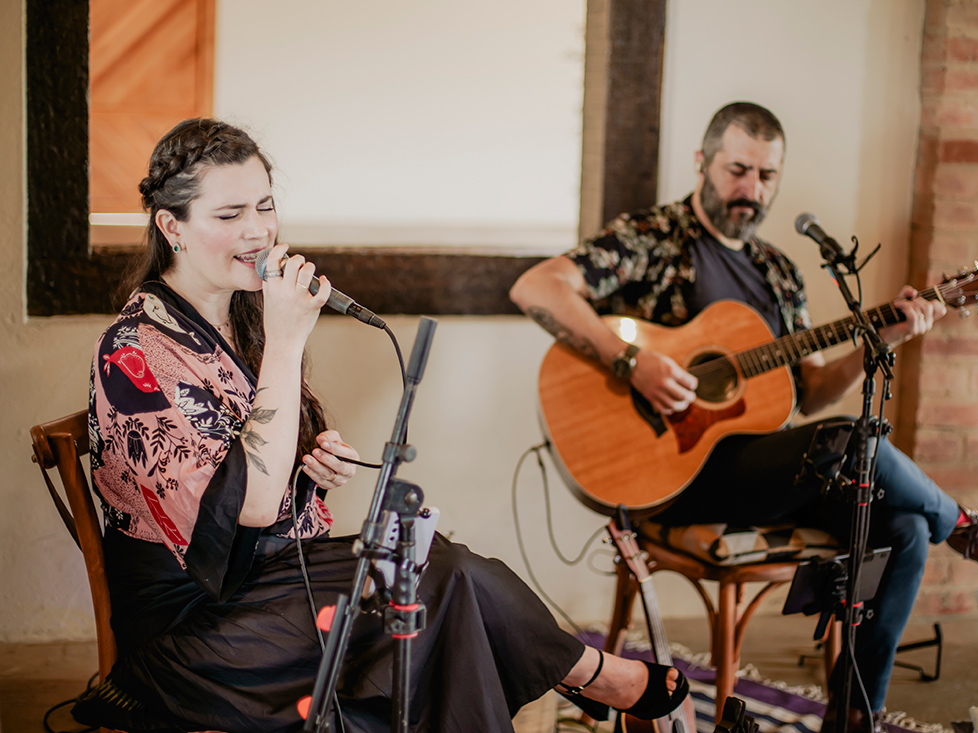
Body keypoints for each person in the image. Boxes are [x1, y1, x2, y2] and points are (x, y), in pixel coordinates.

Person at [83, 117, 689, 733]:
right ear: (171, 226)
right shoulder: (134, 349)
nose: (258, 231)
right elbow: (254, 505)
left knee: (434, 563)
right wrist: (289, 341)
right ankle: (600, 677)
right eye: (229, 214)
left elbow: (251, 456)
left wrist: (314, 459)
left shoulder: (244, 316)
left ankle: (596, 676)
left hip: (271, 577)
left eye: (265, 206)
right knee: (433, 589)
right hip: (198, 628)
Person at [509, 102, 978, 733]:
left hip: (762, 471)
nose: (751, 190)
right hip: (671, 473)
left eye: (767, 176)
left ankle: (855, 718)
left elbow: (809, 394)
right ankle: (969, 528)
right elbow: (537, 286)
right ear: (703, 163)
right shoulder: (654, 238)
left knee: (903, 526)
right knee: (849, 443)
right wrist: (631, 363)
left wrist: (879, 341)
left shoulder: (778, 274)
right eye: (737, 170)